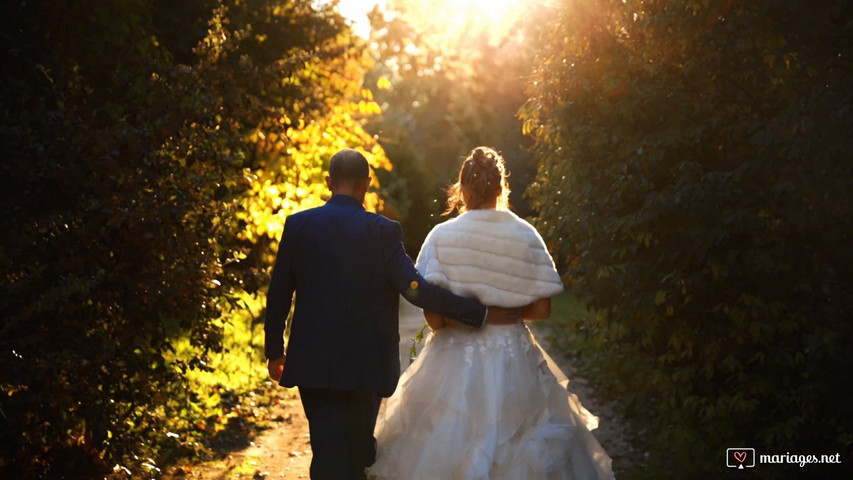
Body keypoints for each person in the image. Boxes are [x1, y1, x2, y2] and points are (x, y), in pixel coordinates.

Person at [264, 148, 516, 480]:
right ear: (367, 184)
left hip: (313, 363)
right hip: (365, 365)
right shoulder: (383, 232)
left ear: (328, 182)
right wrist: (477, 311)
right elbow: (416, 290)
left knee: (325, 449)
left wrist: (275, 351)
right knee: (359, 453)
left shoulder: (298, 226)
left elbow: (279, 292)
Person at [367, 147, 615, 479]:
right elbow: (542, 309)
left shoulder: (442, 237)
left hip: (453, 357)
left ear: (462, 190)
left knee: (443, 440)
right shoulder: (526, 234)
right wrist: (505, 314)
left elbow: (434, 317)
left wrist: (466, 318)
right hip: (514, 357)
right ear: (501, 188)